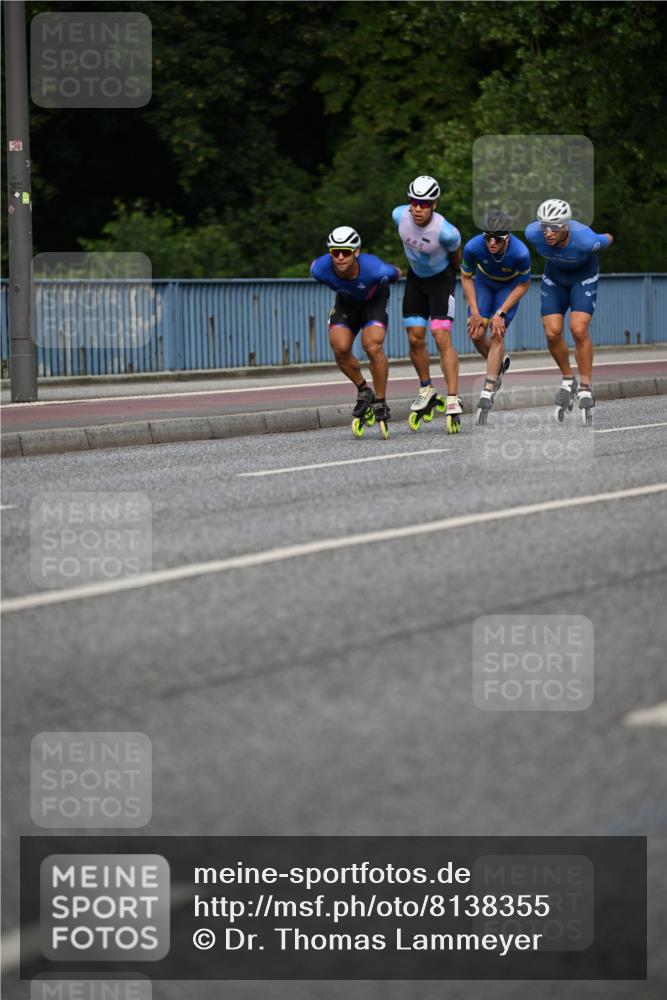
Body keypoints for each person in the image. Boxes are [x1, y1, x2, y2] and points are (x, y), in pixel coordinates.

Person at [525, 199, 614, 425]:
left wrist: (605, 239)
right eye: (544, 226)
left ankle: (586, 386)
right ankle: (568, 379)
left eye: (554, 227)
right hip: (554, 280)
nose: (548, 232)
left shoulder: (585, 239)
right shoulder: (532, 233)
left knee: (579, 329)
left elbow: (607, 238)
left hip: (583, 279)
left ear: (566, 225)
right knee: (552, 332)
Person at [310, 226, 402, 437]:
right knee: (339, 347)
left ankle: (380, 401)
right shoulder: (320, 269)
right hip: (347, 303)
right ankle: (364, 390)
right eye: (335, 252)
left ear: (356, 252)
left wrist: (392, 276)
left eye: (346, 252)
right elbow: (314, 265)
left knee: (372, 345)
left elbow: (397, 273)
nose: (340, 257)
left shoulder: (375, 269)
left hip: (374, 301)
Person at [392, 175, 463, 433]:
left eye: (424, 203)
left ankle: (453, 397)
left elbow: (456, 258)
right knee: (414, 338)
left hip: (441, 281)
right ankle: (426, 389)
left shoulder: (447, 232)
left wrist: (455, 278)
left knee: (441, 336)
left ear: (434, 204)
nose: (418, 208)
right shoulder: (398, 215)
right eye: (414, 202)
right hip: (415, 280)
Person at [460, 209, 531, 423]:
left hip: (509, 287)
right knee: (475, 333)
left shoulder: (520, 253)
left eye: (497, 239)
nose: (492, 243)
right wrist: (474, 310)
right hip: (484, 284)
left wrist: (501, 312)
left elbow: (524, 284)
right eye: (488, 238)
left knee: (497, 332)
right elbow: (466, 277)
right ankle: (498, 365)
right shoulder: (473, 246)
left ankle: (488, 390)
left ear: (507, 238)